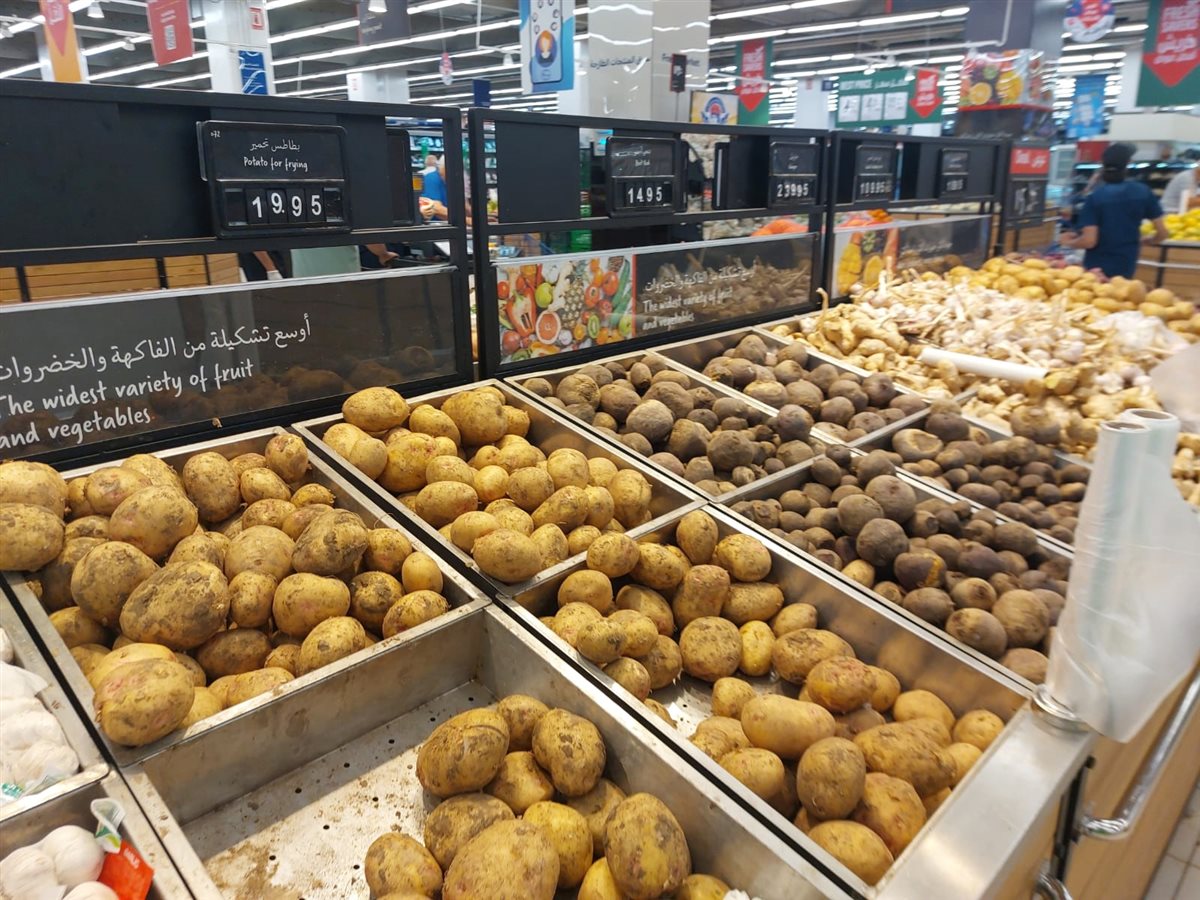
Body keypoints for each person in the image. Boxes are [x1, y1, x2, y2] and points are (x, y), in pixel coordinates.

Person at [1060, 143, 1168, 278]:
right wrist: (1149, 240)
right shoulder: (1143, 192)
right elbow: (1162, 233)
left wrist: (1068, 243)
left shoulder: (1096, 197)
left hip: (1097, 268)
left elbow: (1089, 241)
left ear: (1103, 164)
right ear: (1128, 163)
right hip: (1127, 264)